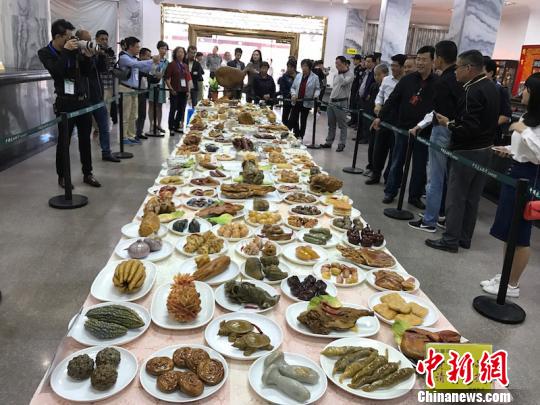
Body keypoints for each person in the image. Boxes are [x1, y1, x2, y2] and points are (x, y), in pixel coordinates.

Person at [426, 50, 499, 253]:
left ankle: (450, 239)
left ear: (469, 68)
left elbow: (468, 127)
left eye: (458, 67)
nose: (455, 72)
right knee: (472, 198)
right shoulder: (492, 87)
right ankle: (464, 238)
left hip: (467, 151)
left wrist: (448, 124)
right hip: (485, 149)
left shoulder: (472, 91)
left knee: (456, 197)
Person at [483, 73, 540, 298]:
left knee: (521, 234)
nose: (522, 92)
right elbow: (523, 148)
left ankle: (513, 284)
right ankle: (506, 274)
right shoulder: (527, 116)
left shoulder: (530, 123)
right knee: (509, 231)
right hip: (514, 171)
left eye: (526, 89)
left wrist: (523, 131)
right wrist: (508, 150)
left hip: (529, 177)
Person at [38, 19, 101, 188]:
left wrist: (88, 57)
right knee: (64, 142)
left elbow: (86, 72)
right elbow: (57, 72)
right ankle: (63, 176)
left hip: (83, 100)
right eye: (67, 36)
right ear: (57, 36)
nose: (71, 39)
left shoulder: (74, 49)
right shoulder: (45, 52)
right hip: (65, 103)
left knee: (85, 140)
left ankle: (88, 173)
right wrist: (66, 52)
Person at [409, 40, 464, 232]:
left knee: (435, 177)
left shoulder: (443, 81)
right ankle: (439, 214)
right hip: (456, 130)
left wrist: (421, 125)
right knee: (446, 177)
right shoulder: (460, 80)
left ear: (438, 59)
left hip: (442, 130)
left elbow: (437, 111)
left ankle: (429, 220)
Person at [373, 46, 437, 208]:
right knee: (397, 161)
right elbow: (393, 99)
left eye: (424, 59)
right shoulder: (407, 80)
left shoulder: (438, 83)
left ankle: (415, 196)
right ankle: (390, 191)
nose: (420, 62)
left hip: (424, 131)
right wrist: (380, 117)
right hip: (403, 128)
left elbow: (436, 108)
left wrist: (422, 125)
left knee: (419, 166)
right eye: (418, 59)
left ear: (433, 61)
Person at [74, 29, 120, 163]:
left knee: (104, 126)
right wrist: (88, 56)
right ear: (79, 41)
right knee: (85, 130)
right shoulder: (76, 55)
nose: (90, 43)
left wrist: (100, 55)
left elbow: (102, 69)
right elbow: (85, 71)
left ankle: (106, 152)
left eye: (90, 40)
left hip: (98, 97)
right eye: (86, 40)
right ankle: (86, 159)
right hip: (84, 98)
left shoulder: (94, 53)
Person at [366, 53, 407, 185]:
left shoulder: (407, 81)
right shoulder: (387, 80)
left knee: (395, 150)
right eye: (391, 65)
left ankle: (390, 177)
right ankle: (375, 174)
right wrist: (378, 104)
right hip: (384, 116)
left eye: (395, 66)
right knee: (379, 148)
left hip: (399, 118)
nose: (392, 68)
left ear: (402, 67)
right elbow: (380, 95)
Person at [118, 36, 160, 144]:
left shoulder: (134, 59)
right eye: (137, 47)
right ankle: (123, 137)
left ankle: (131, 136)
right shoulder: (124, 57)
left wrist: (154, 65)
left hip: (134, 90)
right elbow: (135, 65)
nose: (138, 49)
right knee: (126, 115)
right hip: (125, 88)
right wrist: (151, 60)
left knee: (133, 114)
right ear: (130, 47)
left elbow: (144, 68)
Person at [320, 56, 354, 152]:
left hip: (341, 102)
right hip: (332, 101)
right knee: (331, 123)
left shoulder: (350, 74)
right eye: (336, 63)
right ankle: (329, 142)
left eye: (338, 63)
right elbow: (335, 87)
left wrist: (341, 72)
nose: (336, 65)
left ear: (344, 63)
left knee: (342, 124)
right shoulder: (336, 74)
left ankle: (341, 143)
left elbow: (344, 82)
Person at [364, 64, 388, 175]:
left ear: (386, 74)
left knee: (379, 148)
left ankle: (375, 169)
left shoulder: (388, 87)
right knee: (371, 145)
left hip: (382, 120)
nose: (376, 77)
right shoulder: (374, 86)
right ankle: (370, 165)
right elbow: (371, 102)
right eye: (375, 75)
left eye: (379, 74)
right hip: (372, 118)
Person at [289, 59, 321, 139]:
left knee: (303, 120)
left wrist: (316, 95)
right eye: (302, 66)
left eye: (306, 66)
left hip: (306, 102)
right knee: (292, 119)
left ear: (310, 67)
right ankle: (295, 134)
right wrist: (293, 94)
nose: (303, 68)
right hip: (296, 101)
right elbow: (293, 87)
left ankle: (301, 136)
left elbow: (317, 89)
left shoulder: (315, 77)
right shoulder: (298, 76)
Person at [484, 57, 512, 145]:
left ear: (491, 73)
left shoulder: (500, 90)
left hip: (491, 137)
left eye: (481, 72)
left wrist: (488, 127)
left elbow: (506, 115)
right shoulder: (475, 88)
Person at [165, 46, 192, 135]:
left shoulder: (185, 66)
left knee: (181, 109)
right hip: (175, 90)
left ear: (184, 54)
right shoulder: (172, 64)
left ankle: (176, 126)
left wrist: (188, 90)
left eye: (182, 52)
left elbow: (188, 79)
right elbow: (167, 79)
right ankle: (171, 127)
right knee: (173, 109)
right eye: (178, 52)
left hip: (184, 91)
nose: (180, 54)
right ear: (175, 54)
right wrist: (171, 89)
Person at [94, 30, 117, 128]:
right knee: (96, 110)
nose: (104, 41)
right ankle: (97, 129)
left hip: (108, 85)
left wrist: (105, 56)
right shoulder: (93, 50)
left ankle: (104, 130)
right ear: (96, 39)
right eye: (102, 39)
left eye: (106, 39)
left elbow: (111, 67)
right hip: (97, 85)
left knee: (107, 109)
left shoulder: (110, 51)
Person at [136, 47, 158, 140]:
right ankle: (133, 134)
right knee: (135, 114)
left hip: (144, 92)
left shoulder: (148, 67)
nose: (149, 58)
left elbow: (152, 79)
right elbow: (141, 74)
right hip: (135, 92)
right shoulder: (137, 64)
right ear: (141, 56)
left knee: (142, 113)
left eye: (150, 56)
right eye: (148, 56)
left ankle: (139, 132)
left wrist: (158, 76)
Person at [148, 40, 169, 133]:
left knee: (159, 106)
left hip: (161, 84)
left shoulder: (167, 62)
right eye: (162, 48)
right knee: (151, 104)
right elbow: (150, 71)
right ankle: (151, 125)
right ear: (158, 49)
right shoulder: (153, 58)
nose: (163, 50)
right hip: (153, 84)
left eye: (165, 49)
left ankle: (159, 125)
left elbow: (166, 74)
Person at [356, 54, 376, 144]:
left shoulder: (374, 73)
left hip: (368, 100)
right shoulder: (365, 72)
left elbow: (374, 86)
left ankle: (366, 137)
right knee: (360, 118)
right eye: (366, 61)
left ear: (374, 63)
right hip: (361, 98)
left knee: (366, 120)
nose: (366, 63)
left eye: (369, 61)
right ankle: (360, 136)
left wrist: (369, 95)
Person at [278, 60, 298, 126]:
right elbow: (282, 89)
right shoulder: (285, 76)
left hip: (297, 100)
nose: (289, 68)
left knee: (295, 119)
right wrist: (290, 94)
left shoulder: (299, 75)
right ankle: (284, 129)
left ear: (294, 67)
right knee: (285, 117)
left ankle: (295, 132)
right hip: (287, 100)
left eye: (291, 67)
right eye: (288, 67)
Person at [348, 54, 364, 128]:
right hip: (353, 89)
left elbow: (359, 81)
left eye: (354, 60)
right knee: (352, 105)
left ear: (358, 60)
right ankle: (352, 120)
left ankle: (355, 121)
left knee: (355, 105)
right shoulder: (356, 68)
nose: (353, 61)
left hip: (356, 90)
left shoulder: (360, 69)